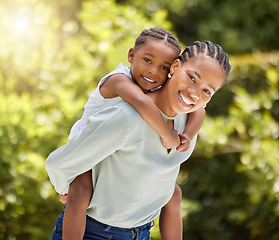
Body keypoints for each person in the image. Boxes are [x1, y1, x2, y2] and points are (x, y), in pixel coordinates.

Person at [45, 40, 231, 240]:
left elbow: (166, 189)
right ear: (175, 67)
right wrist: (67, 190)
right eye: (192, 77)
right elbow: (57, 164)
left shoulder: (187, 124)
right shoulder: (127, 118)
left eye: (206, 91)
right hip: (92, 233)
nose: (194, 92)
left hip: (141, 233)